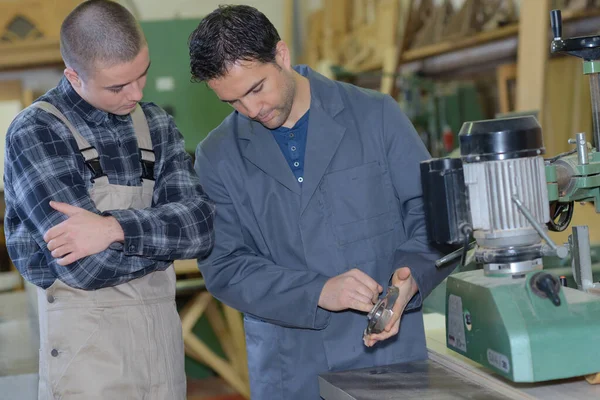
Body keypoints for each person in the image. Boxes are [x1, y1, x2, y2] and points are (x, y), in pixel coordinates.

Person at [189, 5, 450, 400]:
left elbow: (434, 215)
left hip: (387, 358)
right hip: (290, 371)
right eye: (233, 103)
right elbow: (225, 266)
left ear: (282, 56)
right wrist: (317, 292)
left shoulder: (376, 115)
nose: (252, 111)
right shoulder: (217, 156)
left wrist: (411, 276)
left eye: (256, 89)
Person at [4, 1, 215, 399]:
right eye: (118, 86)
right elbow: (86, 266)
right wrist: (164, 236)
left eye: (142, 74)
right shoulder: (37, 132)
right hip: (91, 365)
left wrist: (112, 228)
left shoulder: (155, 123)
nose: (136, 93)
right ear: (74, 75)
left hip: (164, 361)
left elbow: (201, 228)